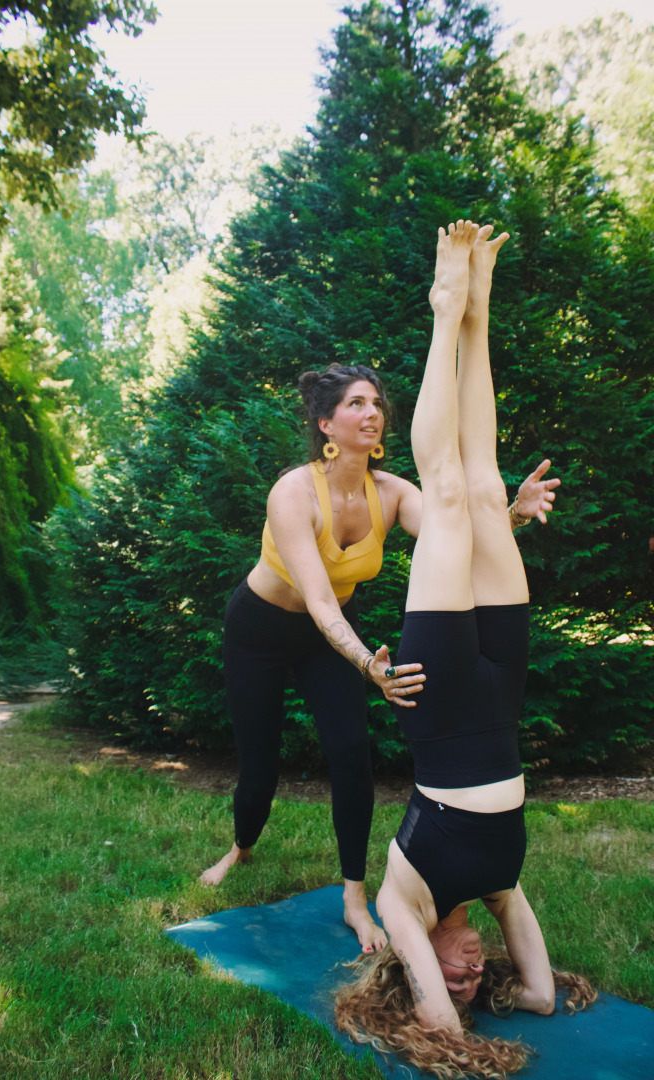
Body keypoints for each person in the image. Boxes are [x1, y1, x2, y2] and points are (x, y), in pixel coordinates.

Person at [200, 278, 560, 956]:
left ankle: (353, 895)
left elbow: (457, 533)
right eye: (355, 404)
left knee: (350, 754)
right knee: (259, 764)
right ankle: (242, 845)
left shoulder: (391, 492)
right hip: (260, 630)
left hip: (327, 638)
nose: (372, 413)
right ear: (326, 424)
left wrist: (510, 513)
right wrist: (369, 663)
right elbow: (315, 599)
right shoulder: (293, 493)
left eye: (376, 403)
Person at [335, 221, 595, 1074]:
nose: (472, 969)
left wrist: (440, 999)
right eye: (477, 977)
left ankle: (445, 307)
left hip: (441, 698)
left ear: (416, 973)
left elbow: (444, 1030)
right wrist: (520, 993)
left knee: (445, 492)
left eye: (458, 974)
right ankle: (479, 305)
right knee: (485, 490)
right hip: (501, 694)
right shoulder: (496, 887)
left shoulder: (404, 906)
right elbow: (542, 995)